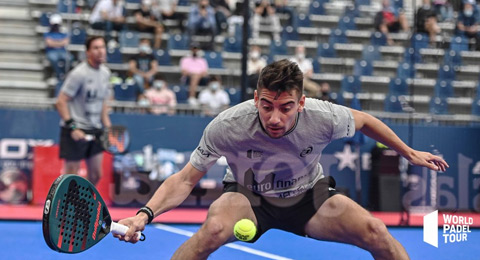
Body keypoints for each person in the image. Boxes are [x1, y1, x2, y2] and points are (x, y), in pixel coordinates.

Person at [114, 59, 449, 259]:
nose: (276, 118)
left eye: (286, 107)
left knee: (376, 232)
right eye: (267, 106)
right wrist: (145, 214)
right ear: (256, 98)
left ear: (301, 102)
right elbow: (186, 178)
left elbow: (365, 121)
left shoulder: (324, 116)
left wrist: (408, 152)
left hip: (308, 196)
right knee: (212, 230)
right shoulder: (228, 125)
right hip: (249, 197)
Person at [55, 36, 112, 186]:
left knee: (96, 174)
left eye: (102, 47)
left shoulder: (106, 73)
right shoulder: (78, 74)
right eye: (96, 48)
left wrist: (108, 127)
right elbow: (60, 101)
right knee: (71, 176)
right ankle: (67, 207)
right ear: (88, 52)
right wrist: (72, 127)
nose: (101, 51)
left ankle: (83, 204)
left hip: (95, 129)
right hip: (75, 129)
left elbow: (103, 102)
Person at [44, 13, 73, 81]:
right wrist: (60, 42)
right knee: (54, 59)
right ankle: (59, 75)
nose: (56, 26)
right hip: (52, 52)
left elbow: (66, 42)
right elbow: (49, 43)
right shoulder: (48, 32)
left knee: (69, 58)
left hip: (62, 52)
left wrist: (54, 42)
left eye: (57, 24)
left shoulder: (63, 32)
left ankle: (64, 74)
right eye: (54, 24)